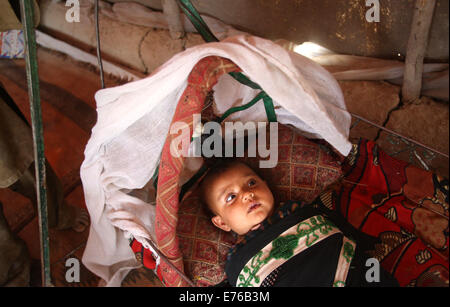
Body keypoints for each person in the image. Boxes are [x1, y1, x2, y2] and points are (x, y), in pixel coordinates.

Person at [199, 159, 399, 287]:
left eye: (251, 183)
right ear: (222, 223)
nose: (246, 194)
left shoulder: (296, 211)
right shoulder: (236, 261)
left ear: (266, 185)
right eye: (230, 197)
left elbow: (337, 231)